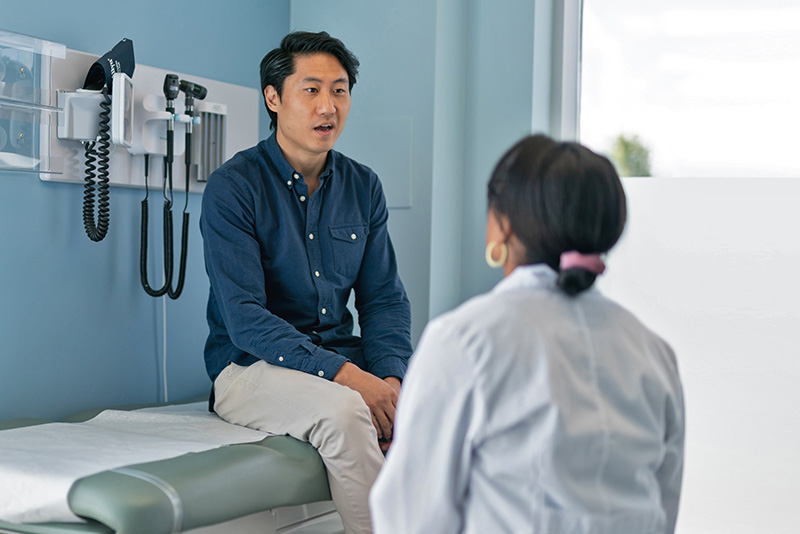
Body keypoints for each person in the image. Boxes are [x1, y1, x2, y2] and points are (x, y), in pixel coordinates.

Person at [370, 134, 685, 534]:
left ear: (502, 226)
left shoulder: (466, 341)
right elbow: (664, 506)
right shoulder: (653, 353)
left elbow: (409, 517)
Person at [199, 31, 412, 534]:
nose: (328, 107)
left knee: (440, 405)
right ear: (274, 99)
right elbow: (246, 319)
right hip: (248, 368)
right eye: (311, 90)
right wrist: (354, 382)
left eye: (339, 91)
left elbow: (384, 300)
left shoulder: (363, 185)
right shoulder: (234, 187)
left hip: (345, 360)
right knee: (343, 414)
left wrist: (391, 384)